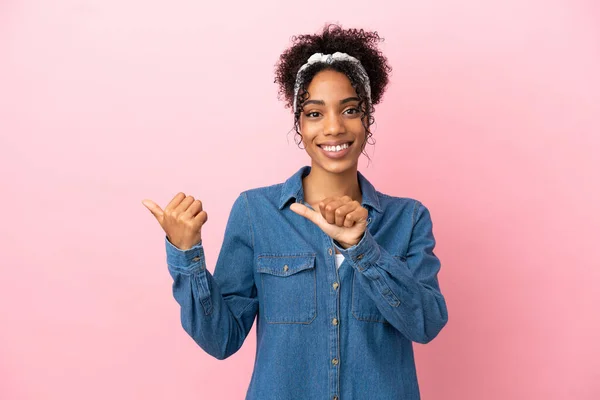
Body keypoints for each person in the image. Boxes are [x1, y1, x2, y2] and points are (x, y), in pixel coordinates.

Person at [142, 23, 448, 400]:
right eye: (315, 113)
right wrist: (186, 255)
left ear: (368, 118)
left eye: (350, 109)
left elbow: (426, 323)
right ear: (298, 124)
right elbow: (221, 340)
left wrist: (362, 250)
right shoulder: (256, 213)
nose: (334, 127)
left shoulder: (409, 218)